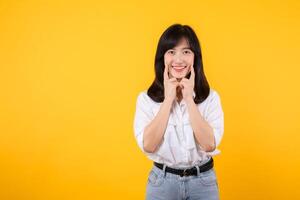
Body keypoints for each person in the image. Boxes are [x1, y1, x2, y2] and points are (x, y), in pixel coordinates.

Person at [133, 23, 224, 200]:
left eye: (186, 52)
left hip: (203, 183)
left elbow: (209, 145)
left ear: (195, 58)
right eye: (171, 52)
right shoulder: (146, 99)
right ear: (162, 58)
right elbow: (149, 145)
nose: (179, 59)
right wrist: (168, 100)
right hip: (162, 183)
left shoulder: (211, 98)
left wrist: (189, 99)